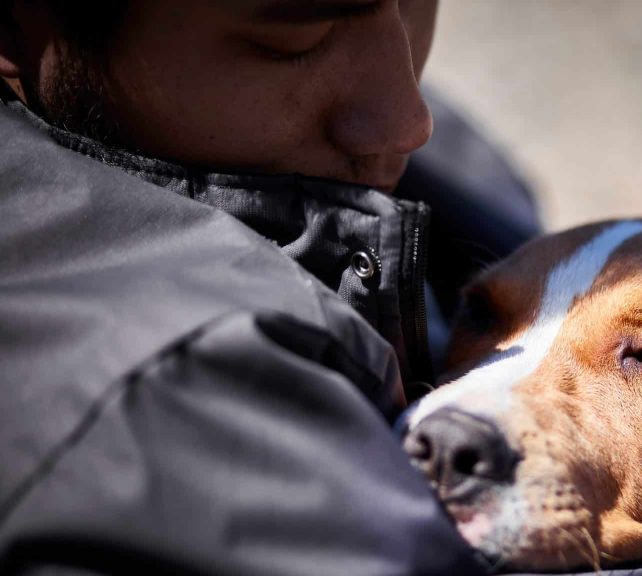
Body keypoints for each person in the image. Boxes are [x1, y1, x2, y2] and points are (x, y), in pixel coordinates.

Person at [0, 1, 551, 574]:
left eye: (416, 4)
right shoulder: (170, 395)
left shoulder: (453, 174)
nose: (411, 122)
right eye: (296, 41)